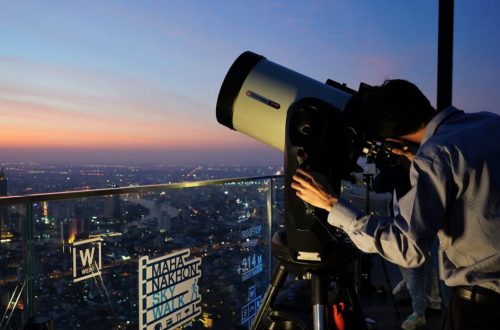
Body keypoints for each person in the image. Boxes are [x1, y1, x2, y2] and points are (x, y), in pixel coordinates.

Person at [291, 79, 500, 330]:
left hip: (484, 308)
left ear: (391, 140)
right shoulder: (489, 122)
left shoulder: (435, 154)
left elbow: (408, 249)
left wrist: (332, 203)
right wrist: (417, 157)